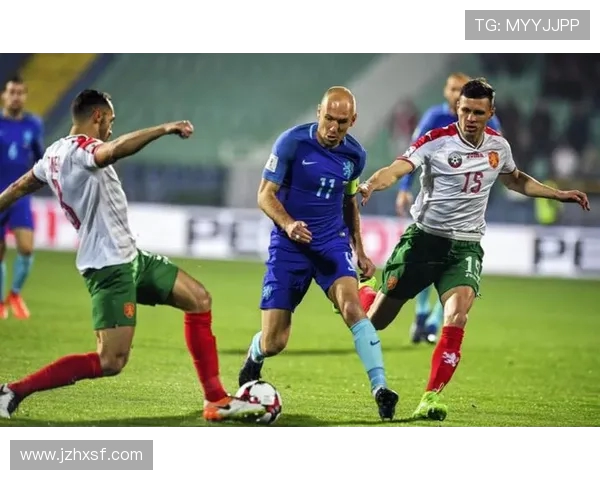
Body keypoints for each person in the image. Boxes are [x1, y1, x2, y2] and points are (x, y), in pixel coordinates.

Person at [0, 89, 265, 422]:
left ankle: (216, 400)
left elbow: (21, 185)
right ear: (97, 116)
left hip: (131, 258)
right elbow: (113, 150)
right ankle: (13, 391)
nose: (111, 127)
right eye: (110, 120)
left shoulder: (52, 154)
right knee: (111, 361)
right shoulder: (82, 150)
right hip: (109, 267)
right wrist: (164, 129)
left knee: (199, 299)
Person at [357, 78, 590, 421]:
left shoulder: (498, 146)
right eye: (464, 110)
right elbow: (397, 169)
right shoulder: (436, 141)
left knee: (457, 316)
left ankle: (430, 397)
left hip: (465, 248)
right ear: (457, 109)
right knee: (375, 321)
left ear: (490, 112)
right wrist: (369, 185)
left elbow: (515, 178)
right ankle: (362, 292)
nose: (469, 118)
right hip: (423, 242)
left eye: (478, 112)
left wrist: (557, 194)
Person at [238, 86, 399, 420]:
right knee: (275, 341)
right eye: (329, 118)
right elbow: (265, 195)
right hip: (290, 246)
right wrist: (288, 224)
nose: (333, 128)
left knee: (353, 308)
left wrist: (359, 249)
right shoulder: (292, 143)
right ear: (318, 112)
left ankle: (381, 389)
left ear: (352, 121)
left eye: (341, 122)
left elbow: (349, 202)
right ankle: (255, 354)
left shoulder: (355, 156)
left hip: (330, 242)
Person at [395, 72, 503, 345]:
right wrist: (405, 188)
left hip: (468, 207)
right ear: (446, 92)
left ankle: (432, 320)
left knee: (455, 269)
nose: (456, 94)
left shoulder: (487, 122)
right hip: (436, 206)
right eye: (452, 89)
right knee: (426, 260)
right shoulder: (434, 117)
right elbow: (413, 153)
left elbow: (498, 158)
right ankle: (422, 314)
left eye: (460, 89)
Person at [0, 75, 45, 319]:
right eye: (12, 92)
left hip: (20, 194)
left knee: (26, 248)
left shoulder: (33, 124)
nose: (16, 97)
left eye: (20, 93)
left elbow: (40, 157)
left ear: (25, 96)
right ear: (4, 95)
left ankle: (15, 294)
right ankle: (0, 304)